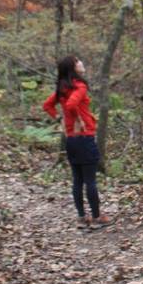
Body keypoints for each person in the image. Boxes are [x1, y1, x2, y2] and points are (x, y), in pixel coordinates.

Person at [42, 55, 109, 229]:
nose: (81, 62)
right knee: (90, 180)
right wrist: (78, 120)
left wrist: (60, 119)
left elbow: (47, 106)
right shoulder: (79, 86)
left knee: (77, 180)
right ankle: (96, 218)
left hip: (71, 139)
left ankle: (81, 217)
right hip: (84, 137)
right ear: (73, 67)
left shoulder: (62, 88)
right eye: (77, 61)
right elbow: (72, 105)